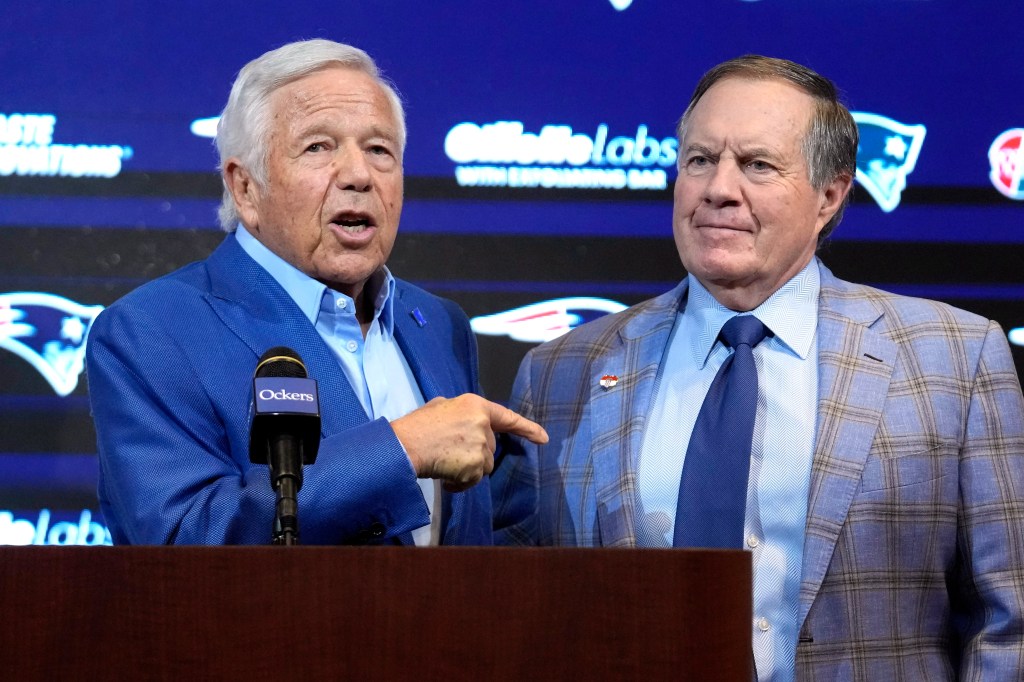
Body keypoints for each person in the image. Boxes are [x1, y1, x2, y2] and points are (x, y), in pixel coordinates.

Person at [491, 55, 1024, 679]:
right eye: (698, 160)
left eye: (757, 165)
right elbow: (520, 613)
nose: (719, 188)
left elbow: (1008, 622)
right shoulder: (562, 371)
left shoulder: (955, 359)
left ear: (830, 195)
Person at [87, 39, 547, 546]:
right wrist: (403, 449)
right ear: (245, 188)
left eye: (379, 150)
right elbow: (180, 539)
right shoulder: (151, 332)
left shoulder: (439, 324)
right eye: (318, 147)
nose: (358, 176)